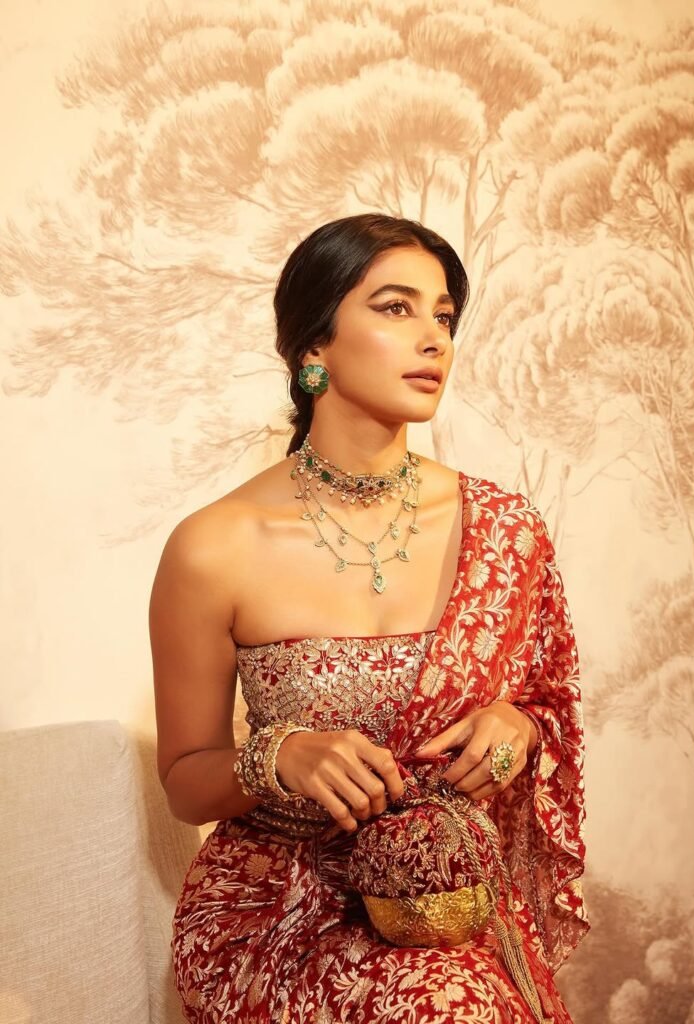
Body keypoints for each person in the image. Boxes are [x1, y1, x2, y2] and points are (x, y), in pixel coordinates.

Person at [149, 212, 589, 1024]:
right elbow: (184, 779)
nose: (433, 338)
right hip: (283, 907)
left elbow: (544, 705)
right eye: (395, 308)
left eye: (444, 316)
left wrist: (517, 728)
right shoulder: (215, 547)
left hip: (450, 901)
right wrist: (277, 757)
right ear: (314, 345)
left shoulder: (506, 529)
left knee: (452, 994)